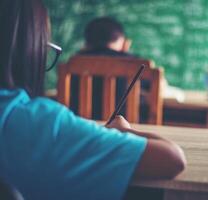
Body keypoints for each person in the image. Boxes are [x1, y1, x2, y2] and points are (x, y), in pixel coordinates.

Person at [0, 1, 186, 200]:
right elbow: (172, 159)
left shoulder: (73, 65)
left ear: (85, 43)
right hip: (100, 147)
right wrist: (123, 130)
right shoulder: (38, 126)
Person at [70, 17, 149, 121]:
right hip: (126, 130)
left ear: (86, 43)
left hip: (83, 129)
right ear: (122, 41)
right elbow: (156, 88)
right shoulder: (135, 64)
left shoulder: (74, 63)